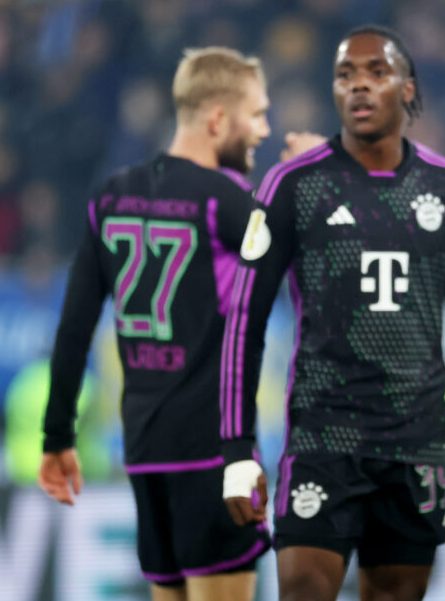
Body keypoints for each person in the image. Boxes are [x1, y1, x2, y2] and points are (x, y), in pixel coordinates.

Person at [220, 25, 445, 601]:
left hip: (415, 446)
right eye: (345, 75)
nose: (359, 85)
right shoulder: (293, 185)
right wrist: (236, 450)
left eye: (377, 72)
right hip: (322, 440)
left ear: (407, 88)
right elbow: (243, 321)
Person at [39, 47, 274, 601]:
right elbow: (296, 256)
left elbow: (75, 326)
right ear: (218, 118)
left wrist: (57, 435)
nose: (263, 130)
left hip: (146, 451)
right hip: (215, 451)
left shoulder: (110, 197)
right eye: (256, 114)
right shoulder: (226, 201)